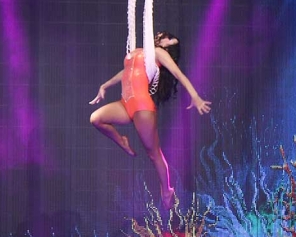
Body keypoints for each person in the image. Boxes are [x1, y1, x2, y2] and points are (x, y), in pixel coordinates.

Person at [90, 31, 211, 209]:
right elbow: (126, 72)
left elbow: (178, 74)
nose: (165, 38)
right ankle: (121, 141)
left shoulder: (158, 53)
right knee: (96, 118)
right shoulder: (140, 51)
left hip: (142, 107)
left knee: (154, 153)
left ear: (168, 47)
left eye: (170, 41)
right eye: (169, 36)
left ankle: (167, 189)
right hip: (125, 104)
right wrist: (104, 85)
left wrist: (195, 97)